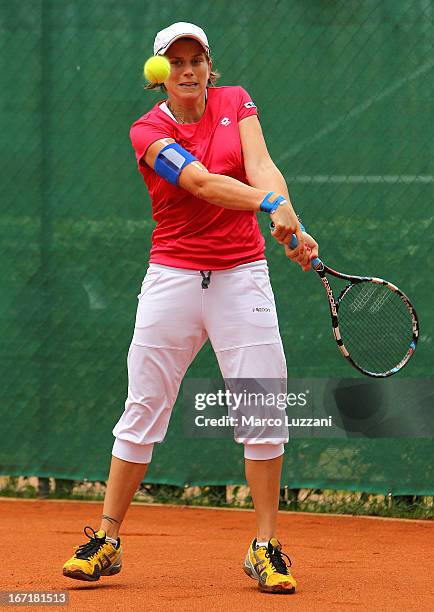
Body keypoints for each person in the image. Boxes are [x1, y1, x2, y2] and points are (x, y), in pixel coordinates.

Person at [62, 21, 318, 595]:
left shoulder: (235, 102)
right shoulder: (147, 130)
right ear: (160, 74)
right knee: (144, 404)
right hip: (173, 277)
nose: (187, 70)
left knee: (263, 406)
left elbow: (262, 165)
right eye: (175, 62)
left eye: (195, 59)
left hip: (242, 277)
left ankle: (265, 546)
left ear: (209, 65)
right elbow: (201, 184)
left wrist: (292, 224)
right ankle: (106, 539)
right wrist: (269, 204)